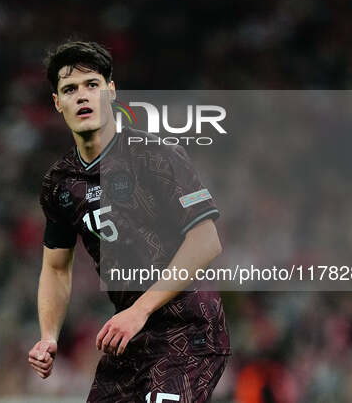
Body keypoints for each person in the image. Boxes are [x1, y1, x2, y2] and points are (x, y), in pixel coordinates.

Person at [27, 41, 230, 402]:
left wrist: (140, 309)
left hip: (190, 330)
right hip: (131, 337)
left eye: (92, 84)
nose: (82, 96)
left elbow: (206, 240)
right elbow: (56, 268)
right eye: (70, 89)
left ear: (111, 91)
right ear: (57, 103)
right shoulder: (59, 184)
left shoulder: (156, 155)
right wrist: (49, 336)